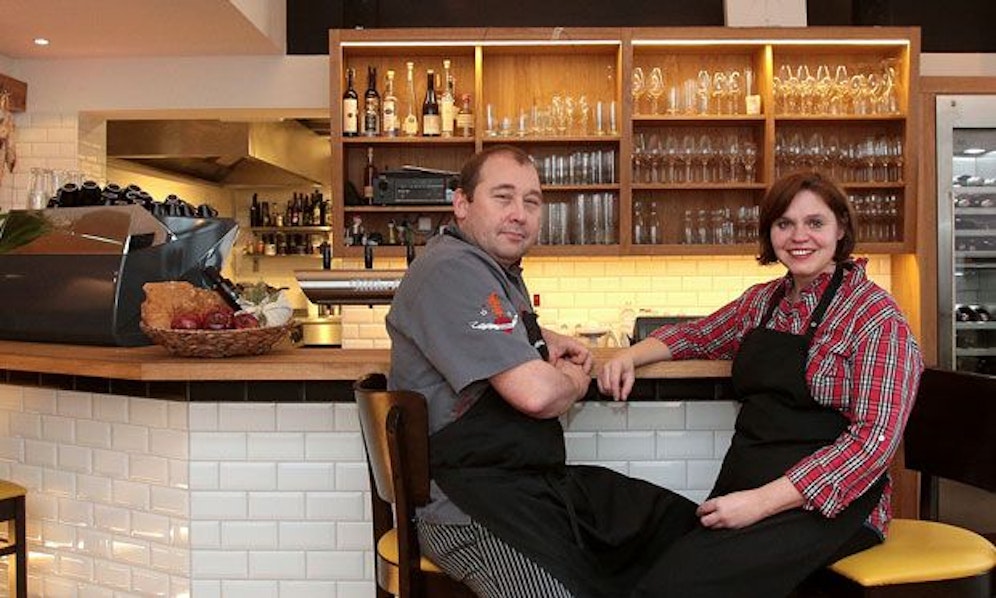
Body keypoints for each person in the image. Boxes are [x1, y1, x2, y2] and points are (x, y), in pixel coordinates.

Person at [386, 145, 698, 597]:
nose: (519, 213)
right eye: (503, 197)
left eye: (531, 202)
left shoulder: (489, 268)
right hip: (467, 510)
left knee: (675, 529)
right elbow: (538, 395)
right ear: (462, 204)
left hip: (522, 488)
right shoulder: (452, 270)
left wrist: (537, 335)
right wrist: (575, 380)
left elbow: (489, 328)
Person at [599, 171, 924, 598]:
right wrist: (629, 355)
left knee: (672, 587)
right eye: (784, 223)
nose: (798, 236)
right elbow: (697, 335)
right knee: (643, 563)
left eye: (815, 222)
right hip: (746, 489)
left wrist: (759, 503)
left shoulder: (875, 316)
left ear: (841, 228)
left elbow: (872, 444)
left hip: (830, 506)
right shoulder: (763, 301)